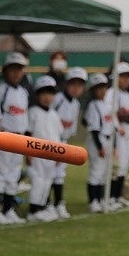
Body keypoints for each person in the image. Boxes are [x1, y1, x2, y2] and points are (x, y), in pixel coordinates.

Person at [0, 52, 30, 223]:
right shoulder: (0, 90)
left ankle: (8, 209)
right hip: (4, 137)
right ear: (5, 71)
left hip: (19, 139)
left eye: (19, 69)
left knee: (13, 175)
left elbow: (23, 117)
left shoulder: (23, 92)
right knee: (0, 174)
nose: (16, 73)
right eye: (12, 69)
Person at [51, 66, 88, 217]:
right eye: (73, 84)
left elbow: (69, 129)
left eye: (80, 85)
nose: (76, 88)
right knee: (47, 174)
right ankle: (46, 205)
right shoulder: (58, 99)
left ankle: (58, 203)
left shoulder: (76, 104)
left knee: (59, 174)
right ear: (66, 84)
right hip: (50, 141)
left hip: (63, 141)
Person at [26, 76, 63, 223]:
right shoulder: (33, 112)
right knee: (38, 181)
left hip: (51, 154)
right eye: (44, 93)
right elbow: (28, 134)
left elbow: (58, 136)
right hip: (36, 153)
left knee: (48, 181)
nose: (48, 97)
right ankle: (33, 210)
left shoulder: (54, 114)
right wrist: (28, 153)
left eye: (51, 93)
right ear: (37, 95)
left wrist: (60, 155)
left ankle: (42, 207)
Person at [103, 62, 129, 210]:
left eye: (128, 77)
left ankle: (118, 196)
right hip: (115, 134)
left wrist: (125, 117)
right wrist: (119, 122)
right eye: (123, 76)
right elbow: (110, 113)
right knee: (114, 167)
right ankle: (110, 197)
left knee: (123, 166)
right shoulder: (111, 93)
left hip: (128, 133)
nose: (126, 80)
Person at [82, 73, 112, 213]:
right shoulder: (93, 105)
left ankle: (99, 199)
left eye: (104, 87)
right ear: (93, 90)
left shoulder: (106, 104)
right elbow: (93, 128)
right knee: (96, 171)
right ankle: (93, 201)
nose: (102, 91)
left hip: (106, 138)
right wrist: (99, 147)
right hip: (97, 139)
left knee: (104, 173)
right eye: (98, 88)